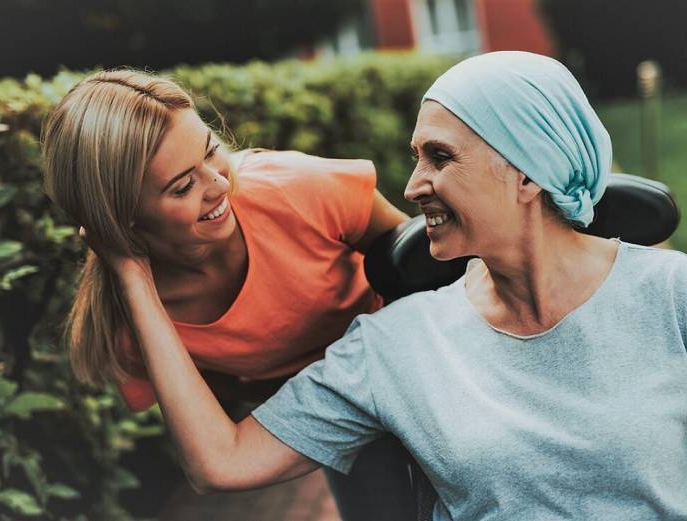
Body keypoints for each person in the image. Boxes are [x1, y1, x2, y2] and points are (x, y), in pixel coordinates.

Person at [57, 53, 687, 521]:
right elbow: (220, 459)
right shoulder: (398, 346)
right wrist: (128, 268)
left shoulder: (676, 296)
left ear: (529, 171)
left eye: (439, 157)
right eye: (416, 157)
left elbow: (403, 258)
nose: (411, 184)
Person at [40, 69, 417, 520]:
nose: (219, 185)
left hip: (402, 355)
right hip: (330, 410)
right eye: (183, 186)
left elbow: (417, 263)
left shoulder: (295, 189)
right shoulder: (134, 326)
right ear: (124, 220)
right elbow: (215, 441)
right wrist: (130, 271)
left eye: (211, 151)